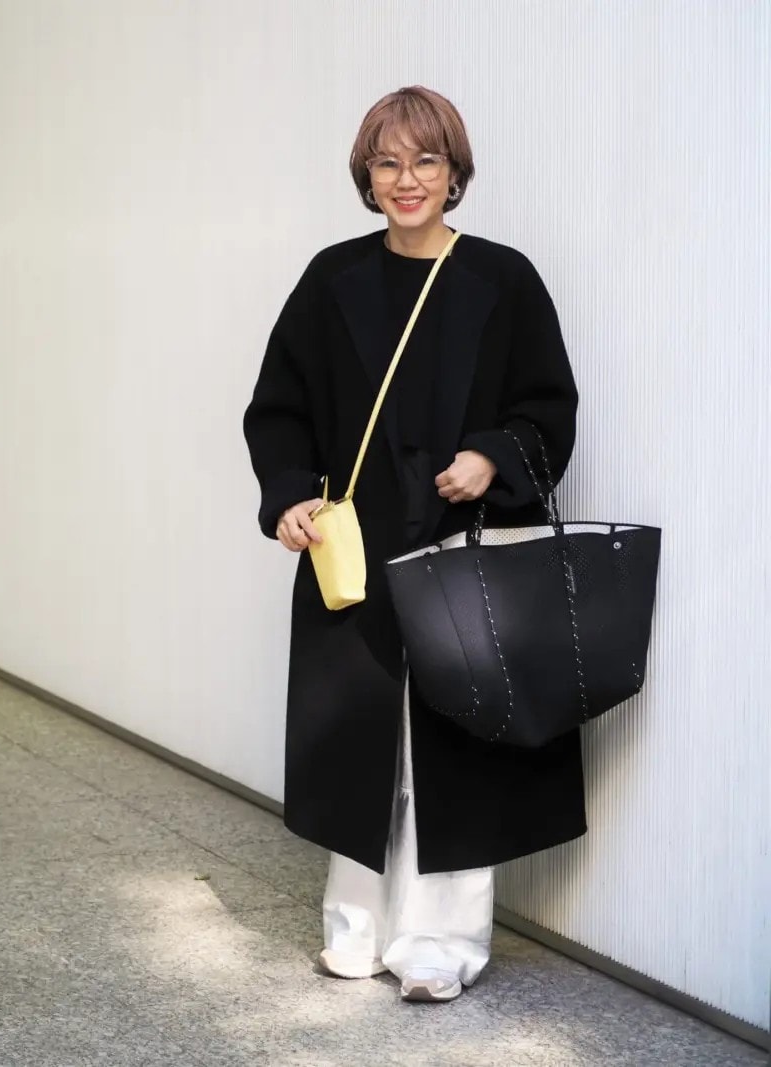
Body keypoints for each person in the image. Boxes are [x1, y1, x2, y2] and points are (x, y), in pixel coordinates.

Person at [243, 86, 586, 1003]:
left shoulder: (502, 280)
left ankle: (440, 945)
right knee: (358, 739)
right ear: (367, 175)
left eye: (426, 161)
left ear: (454, 173)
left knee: (455, 743)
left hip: (464, 547)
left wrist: (493, 457)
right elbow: (278, 407)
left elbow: (549, 408)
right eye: (387, 162)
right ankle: (355, 929)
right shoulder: (333, 280)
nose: (407, 180)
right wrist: (289, 496)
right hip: (357, 548)